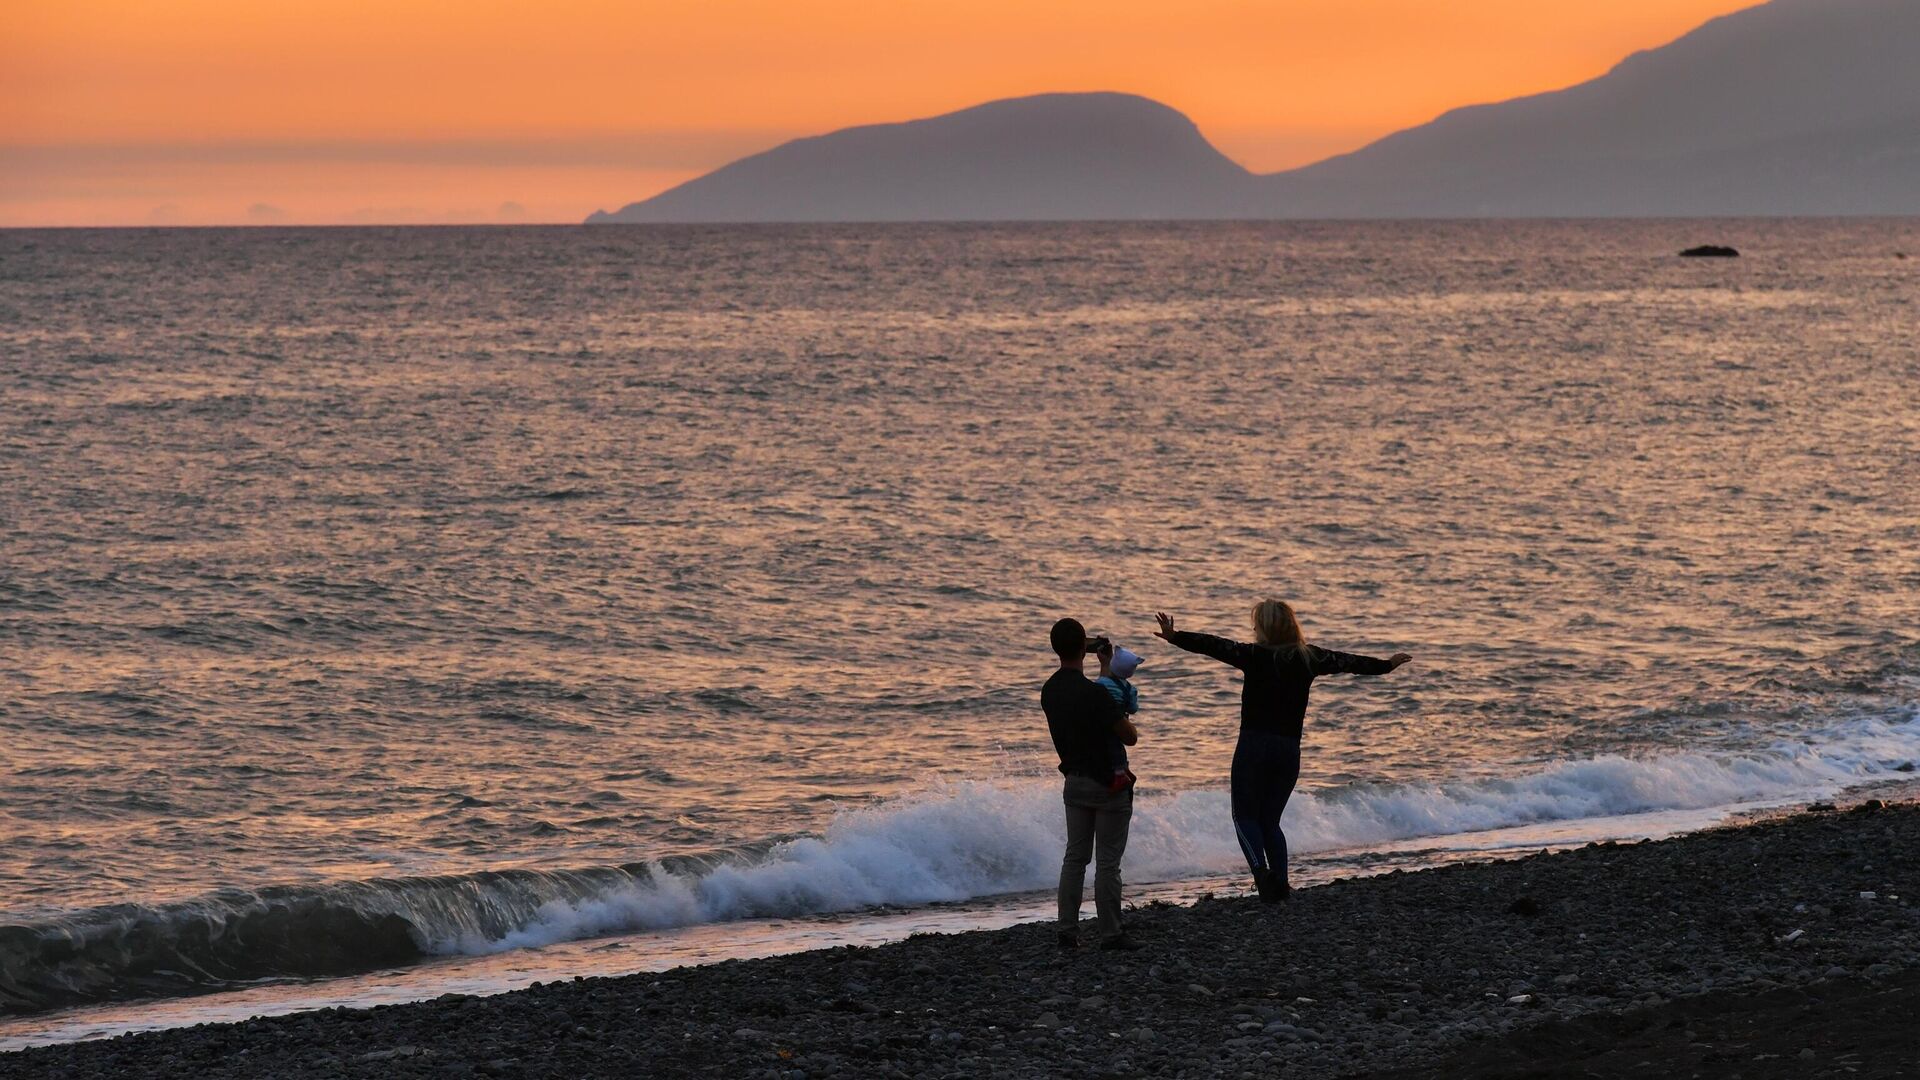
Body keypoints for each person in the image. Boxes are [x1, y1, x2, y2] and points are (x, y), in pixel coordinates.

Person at [1154, 601, 1410, 903]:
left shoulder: (1253, 655)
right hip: (1288, 749)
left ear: (1264, 628)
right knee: (1271, 820)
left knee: (1244, 817)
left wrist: (1176, 636)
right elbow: (1350, 662)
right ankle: (1282, 885)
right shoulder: (1309, 657)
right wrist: (1387, 665)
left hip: (1254, 745)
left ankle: (1262, 875)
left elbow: (1216, 646)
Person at [1043, 617, 1142, 950]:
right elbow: (1129, 737)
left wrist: (1102, 673)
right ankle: (1111, 933)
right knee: (1107, 862)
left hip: (1074, 782)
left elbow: (1089, 704)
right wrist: (1111, 680)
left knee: (1075, 858)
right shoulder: (1096, 695)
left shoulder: (1050, 690)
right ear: (1083, 648)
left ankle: (1067, 930)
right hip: (1108, 786)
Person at [1094, 647, 1143, 793]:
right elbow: (1133, 708)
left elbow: (1096, 696)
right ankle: (1123, 770)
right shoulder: (1130, 689)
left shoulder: (1102, 682)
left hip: (1103, 722)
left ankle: (1120, 775)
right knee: (1118, 747)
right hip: (1121, 722)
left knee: (1110, 745)